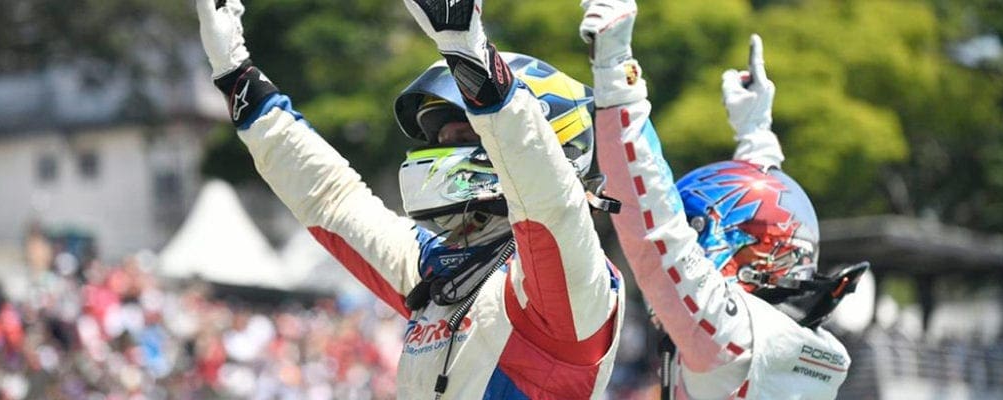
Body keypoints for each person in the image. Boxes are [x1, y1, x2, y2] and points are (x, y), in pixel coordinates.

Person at [196, 0, 625, 397]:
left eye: (463, 134)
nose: (444, 148)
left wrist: (467, 49)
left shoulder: (575, 284)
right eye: (441, 137)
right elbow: (330, 200)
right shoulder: (440, 268)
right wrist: (237, 75)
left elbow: (548, 201)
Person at [580, 1, 868, 398]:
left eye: (696, 234)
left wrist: (615, 69)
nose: (691, 247)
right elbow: (763, 221)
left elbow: (655, 229)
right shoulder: (796, 343)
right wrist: (756, 135)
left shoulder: (732, 341)